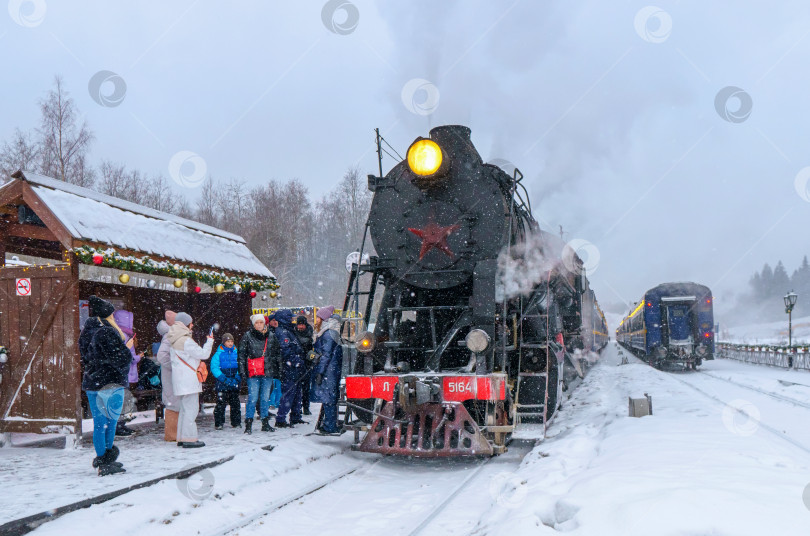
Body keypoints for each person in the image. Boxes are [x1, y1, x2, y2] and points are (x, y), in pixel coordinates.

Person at [78, 296, 132, 476]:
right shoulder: (108, 332)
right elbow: (121, 359)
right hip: (110, 383)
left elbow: (86, 357)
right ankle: (106, 461)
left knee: (99, 424)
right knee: (111, 423)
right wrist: (127, 348)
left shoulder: (86, 331)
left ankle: (103, 461)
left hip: (92, 382)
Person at [168, 312, 214, 448]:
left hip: (179, 380)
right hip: (189, 381)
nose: (192, 325)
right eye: (191, 322)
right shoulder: (186, 340)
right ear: (185, 324)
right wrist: (210, 341)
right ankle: (189, 439)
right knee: (191, 410)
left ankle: (181, 437)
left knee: (184, 409)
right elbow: (204, 354)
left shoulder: (173, 338)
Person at [238, 314, 278, 434]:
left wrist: (278, 369)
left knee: (265, 399)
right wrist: (242, 371)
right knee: (253, 398)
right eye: (257, 323)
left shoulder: (271, 336)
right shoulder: (247, 336)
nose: (259, 325)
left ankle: (265, 423)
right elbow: (241, 355)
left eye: (261, 322)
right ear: (253, 324)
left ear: (264, 323)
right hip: (253, 372)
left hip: (268, 371)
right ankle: (248, 424)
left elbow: (277, 354)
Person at [273, 309, 307, 428]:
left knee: (297, 392)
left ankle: (296, 416)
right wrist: (297, 361)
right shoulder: (282, 332)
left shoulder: (288, 330)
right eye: (290, 318)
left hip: (294, 367)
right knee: (289, 392)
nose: (293, 320)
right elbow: (285, 350)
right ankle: (281, 418)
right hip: (289, 367)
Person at [312, 306, 344, 434]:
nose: (317, 319)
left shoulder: (328, 333)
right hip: (332, 368)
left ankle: (330, 425)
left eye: (319, 317)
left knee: (328, 397)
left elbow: (326, 354)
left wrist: (320, 371)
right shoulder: (332, 331)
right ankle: (331, 423)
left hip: (328, 370)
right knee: (330, 396)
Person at [112, 309, 142, 437]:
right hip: (125, 372)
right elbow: (127, 356)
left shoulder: (119, 334)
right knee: (123, 400)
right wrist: (138, 357)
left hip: (123, 372)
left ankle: (121, 425)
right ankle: (119, 426)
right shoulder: (124, 336)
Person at [155, 311, 180, 441]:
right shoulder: (169, 335)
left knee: (174, 402)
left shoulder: (171, 334)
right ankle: (171, 434)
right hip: (171, 375)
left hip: (173, 375)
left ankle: (175, 433)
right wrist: (175, 365)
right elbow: (161, 356)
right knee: (172, 403)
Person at [211, 333, 241, 430]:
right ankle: (219, 423)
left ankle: (236, 422)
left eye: (232, 341)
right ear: (224, 342)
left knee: (235, 402)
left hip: (234, 379)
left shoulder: (237, 353)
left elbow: (241, 365)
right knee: (221, 403)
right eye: (228, 341)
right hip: (222, 381)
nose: (230, 343)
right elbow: (214, 367)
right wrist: (223, 378)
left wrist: (237, 376)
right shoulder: (218, 354)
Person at [294, 315, 315, 416]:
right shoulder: (295, 333)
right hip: (298, 363)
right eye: (299, 325)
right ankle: (299, 408)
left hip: (306, 364)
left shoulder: (309, 334)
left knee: (306, 388)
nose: (301, 327)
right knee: (299, 388)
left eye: (302, 325)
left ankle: (305, 407)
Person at [267, 314, 282, 411]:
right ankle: (272, 402)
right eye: (272, 320)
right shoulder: (269, 333)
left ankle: (277, 402)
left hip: (278, 361)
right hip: (272, 362)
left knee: (278, 383)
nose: (275, 322)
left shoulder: (280, 331)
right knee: (272, 383)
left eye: (276, 320)